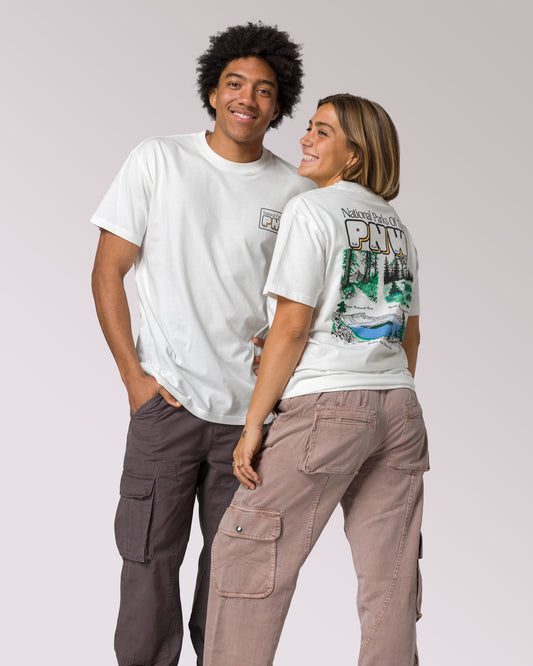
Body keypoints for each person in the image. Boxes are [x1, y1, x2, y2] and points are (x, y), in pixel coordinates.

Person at [90, 22, 312, 666]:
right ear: (213, 92)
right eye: (235, 84)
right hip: (167, 405)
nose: (248, 98)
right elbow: (107, 271)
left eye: (264, 90)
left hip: (250, 422)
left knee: (235, 576)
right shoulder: (159, 159)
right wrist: (134, 379)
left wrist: (279, 376)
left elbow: (303, 306)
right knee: (148, 562)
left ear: (278, 105)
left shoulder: (295, 193)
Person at [204, 94, 429, 666]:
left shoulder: (313, 210)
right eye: (308, 127)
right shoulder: (397, 228)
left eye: (322, 131)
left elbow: (293, 325)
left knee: (248, 551)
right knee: (391, 578)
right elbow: (409, 335)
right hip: (400, 408)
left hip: (327, 406)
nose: (304, 139)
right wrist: (375, 383)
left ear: (354, 155)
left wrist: (254, 423)